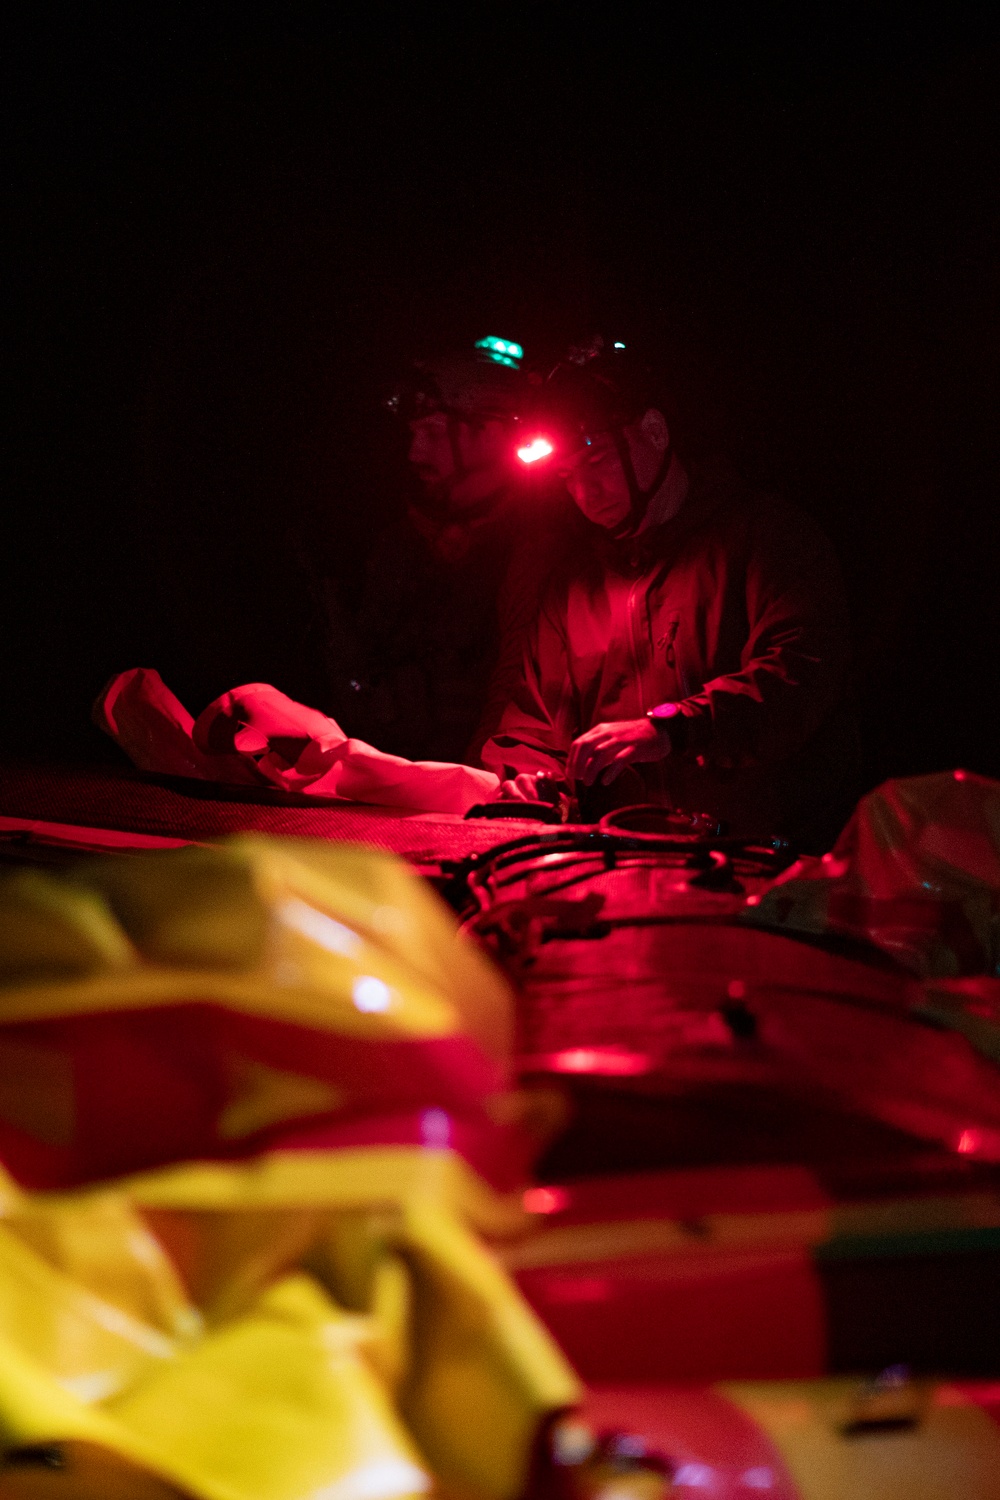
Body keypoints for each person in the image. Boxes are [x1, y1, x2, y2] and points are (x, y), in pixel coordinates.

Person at [480, 336, 859, 849]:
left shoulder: (766, 538)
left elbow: (800, 672)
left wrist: (673, 728)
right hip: (621, 859)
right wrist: (526, 778)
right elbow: (532, 722)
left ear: (655, 432)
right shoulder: (572, 584)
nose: (586, 495)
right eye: (568, 477)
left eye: (598, 465)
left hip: (763, 860)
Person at [313, 337, 571, 765]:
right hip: (378, 778)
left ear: (491, 434)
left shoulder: (533, 548)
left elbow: (515, 690)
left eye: (433, 431)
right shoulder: (397, 542)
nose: (415, 452)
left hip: (463, 791)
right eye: (415, 433)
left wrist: (473, 791)